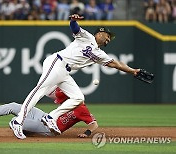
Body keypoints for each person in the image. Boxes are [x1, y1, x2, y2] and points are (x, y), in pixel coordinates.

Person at [9, 13, 140, 139]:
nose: (108, 39)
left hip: (65, 71)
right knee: (39, 91)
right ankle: (18, 121)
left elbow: (116, 64)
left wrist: (132, 71)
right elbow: (75, 28)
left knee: (78, 98)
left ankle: (50, 118)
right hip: (57, 62)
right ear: (100, 33)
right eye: (108, 36)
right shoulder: (88, 37)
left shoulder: (100, 54)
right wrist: (73, 21)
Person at [0, 87, 98, 138]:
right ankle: (28, 130)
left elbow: (94, 124)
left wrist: (87, 133)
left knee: (15, 121)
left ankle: (28, 130)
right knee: (13, 106)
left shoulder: (81, 109)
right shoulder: (67, 99)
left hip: (48, 129)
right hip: (45, 116)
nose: (60, 102)